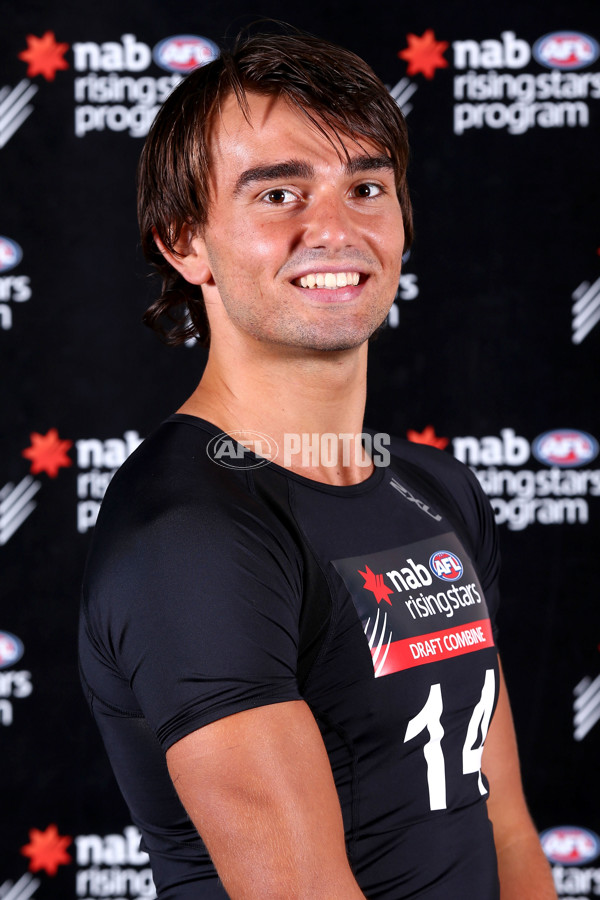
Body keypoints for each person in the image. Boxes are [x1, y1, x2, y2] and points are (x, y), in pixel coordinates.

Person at [79, 28, 557, 899]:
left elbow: (509, 834)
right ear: (186, 243)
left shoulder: (434, 487)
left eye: (366, 187)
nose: (334, 228)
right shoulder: (193, 536)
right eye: (278, 195)